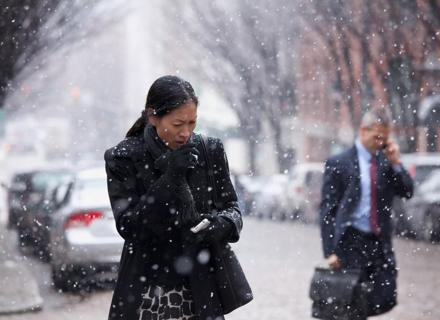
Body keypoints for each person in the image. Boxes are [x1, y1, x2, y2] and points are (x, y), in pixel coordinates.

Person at [104, 75, 248, 320]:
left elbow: (232, 209)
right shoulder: (124, 157)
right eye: (178, 123)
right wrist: (171, 177)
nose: (186, 133)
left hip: (201, 288)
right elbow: (129, 225)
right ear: (153, 117)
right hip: (147, 290)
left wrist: (217, 226)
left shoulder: (209, 150)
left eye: (192, 123)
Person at [319, 108, 414, 319]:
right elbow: (327, 209)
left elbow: (408, 191)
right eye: (376, 136)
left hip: (379, 243)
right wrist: (329, 251)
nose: (380, 142)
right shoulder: (339, 162)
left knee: (383, 298)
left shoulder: (386, 162)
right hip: (350, 241)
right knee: (352, 302)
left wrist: (396, 163)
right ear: (363, 131)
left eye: (385, 138)